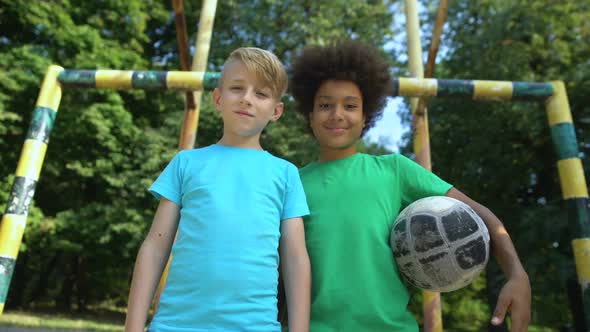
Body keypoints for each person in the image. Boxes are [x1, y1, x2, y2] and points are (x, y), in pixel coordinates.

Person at [288, 39, 531, 332]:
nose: (337, 114)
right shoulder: (290, 183)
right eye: (325, 105)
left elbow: (484, 217)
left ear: (366, 117)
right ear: (310, 115)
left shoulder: (394, 170)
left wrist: (518, 275)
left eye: (350, 106)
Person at [125, 47, 311, 332]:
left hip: (256, 326)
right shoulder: (186, 162)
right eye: (237, 88)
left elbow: (295, 258)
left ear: (276, 111)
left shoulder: (286, 174)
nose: (247, 99)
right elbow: (155, 246)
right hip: (175, 325)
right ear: (217, 98)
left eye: (260, 93)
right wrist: (133, 327)